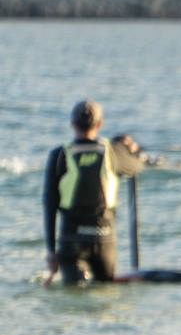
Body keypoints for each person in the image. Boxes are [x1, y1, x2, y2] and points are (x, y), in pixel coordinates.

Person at [42, 99, 145, 284]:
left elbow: (49, 204)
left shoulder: (59, 155)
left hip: (71, 239)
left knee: (74, 297)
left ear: (72, 123)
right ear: (100, 124)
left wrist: (51, 250)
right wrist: (132, 151)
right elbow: (137, 166)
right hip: (104, 238)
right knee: (103, 296)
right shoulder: (113, 152)